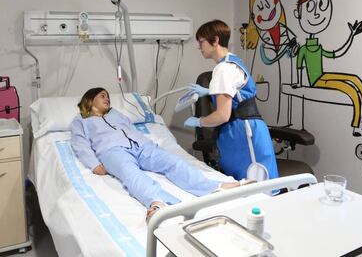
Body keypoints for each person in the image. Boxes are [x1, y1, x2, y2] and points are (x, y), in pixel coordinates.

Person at [71, 87, 247, 222]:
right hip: (112, 152)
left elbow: (131, 129)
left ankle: (212, 188)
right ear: (90, 99)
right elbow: (80, 143)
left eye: (108, 96)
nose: (107, 98)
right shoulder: (81, 120)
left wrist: (148, 143)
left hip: (140, 146)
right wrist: (94, 164)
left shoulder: (115, 114)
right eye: (102, 95)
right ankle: (157, 202)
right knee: (130, 173)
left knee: (173, 161)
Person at [184, 20, 279, 181]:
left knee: (256, 190)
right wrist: (208, 91)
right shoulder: (232, 61)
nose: (199, 47)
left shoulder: (223, 69)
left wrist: (199, 121)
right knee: (245, 188)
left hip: (244, 135)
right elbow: (236, 93)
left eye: (201, 42)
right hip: (246, 130)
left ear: (215, 41)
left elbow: (222, 115)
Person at [293, 0, 362, 136]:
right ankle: (356, 125)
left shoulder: (318, 47)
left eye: (322, 6)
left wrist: (351, 36)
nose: (316, 13)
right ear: (298, 13)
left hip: (323, 76)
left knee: (355, 80)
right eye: (310, 7)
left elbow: (337, 52)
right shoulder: (304, 50)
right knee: (350, 90)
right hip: (316, 81)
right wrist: (299, 84)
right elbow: (299, 67)